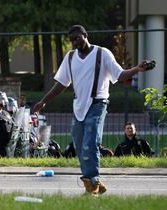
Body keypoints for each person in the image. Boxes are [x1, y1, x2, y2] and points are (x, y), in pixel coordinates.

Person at [32, 25, 152, 195]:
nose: (74, 43)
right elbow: (61, 84)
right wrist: (43, 101)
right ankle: (95, 181)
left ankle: (92, 183)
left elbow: (120, 74)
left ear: (85, 35)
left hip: (98, 103)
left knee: (90, 141)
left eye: (77, 38)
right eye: (71, 40)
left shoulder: (102, 54)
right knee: (79, 144)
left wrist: (137, 69)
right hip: (79, 106)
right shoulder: (70, 57)